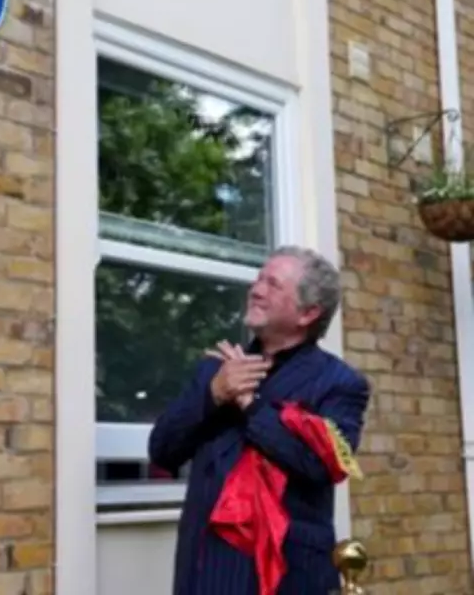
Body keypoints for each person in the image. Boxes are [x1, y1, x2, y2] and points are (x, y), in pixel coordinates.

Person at [148, 246, 370, 595]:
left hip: (286, 576)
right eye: (258, 278)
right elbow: (162, 450)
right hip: (204, 572)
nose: (256, 288)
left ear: (308, 312)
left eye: (273, 283)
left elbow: (319, 465)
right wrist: (215, 394)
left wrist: (250, 404)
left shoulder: (340, 384)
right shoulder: (214, 370)